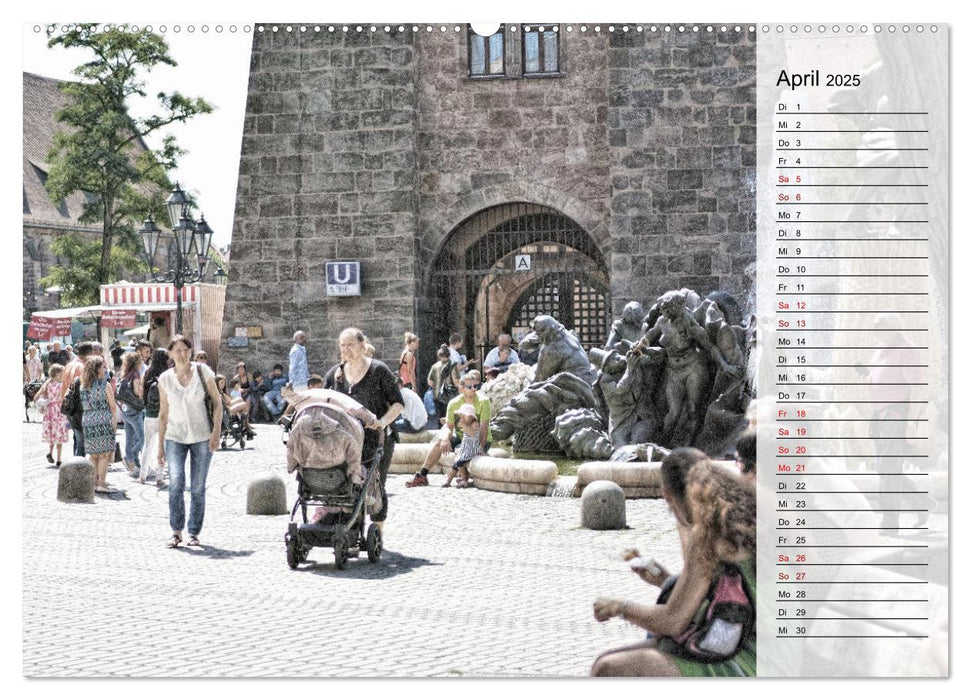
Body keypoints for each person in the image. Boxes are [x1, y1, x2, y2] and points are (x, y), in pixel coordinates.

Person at [590, 447, 756, 677]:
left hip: (746, 661)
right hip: (765, 648)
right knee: (630, 655)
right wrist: (664, 579)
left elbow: (672, 621)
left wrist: (619, 607)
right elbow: (721, 594)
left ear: (667, 495)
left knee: (607, 668)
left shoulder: (708, 534)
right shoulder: (743, 519)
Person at [324, 327, 403, 530]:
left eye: (350, 344)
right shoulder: (335, 374)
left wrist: (382, 422)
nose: (346, 349)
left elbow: (398, 403)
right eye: (342, 345)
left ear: (362, 345)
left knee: (375, 485)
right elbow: (324, 402)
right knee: (347, 485)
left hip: (375, 439)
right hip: (345, 440)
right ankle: (350, 529)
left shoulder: (378, 371)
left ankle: (377, 532)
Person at [157, 335, 222, 548]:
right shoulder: (165, 379)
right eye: (177, 350)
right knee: (175, 483)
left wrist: (216, 432)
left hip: (202, 436)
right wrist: (160, 446)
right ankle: (176, 531)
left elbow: (218, 403)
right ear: (170, 354)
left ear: (190, 351)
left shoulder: (203, 372)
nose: (182, 354)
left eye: (185, 349)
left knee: (197, 487)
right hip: (174, 436)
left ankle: (194, 532)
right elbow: (163, 414)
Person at [407, 370, 491, 487]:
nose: (473, 389)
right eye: (469, 386)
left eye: (475, 386)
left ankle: (462, 478)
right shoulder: (453, 403)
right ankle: (422, 475)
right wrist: (446, 438)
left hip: (479, 439)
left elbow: (484, 428)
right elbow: (448, 426)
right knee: (440, 442)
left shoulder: (483, 401)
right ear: (461, 388)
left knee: (460, 449)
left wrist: (481, 447)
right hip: (462, 437)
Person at [79, 355, 118, 493]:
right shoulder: (104, 384)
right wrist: (114, 423)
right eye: (103, 366)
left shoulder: (83, 385)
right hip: (103, 418)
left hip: (88, 419)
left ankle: (93, 483)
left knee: (93, 454)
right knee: (104, 454)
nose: (105, 369)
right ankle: (101, 483)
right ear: (97, 369)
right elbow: (112, 406)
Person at [59, 341, 96, 457]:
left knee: (78, 440)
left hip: (69, 407)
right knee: (81, 444)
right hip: (79, 409)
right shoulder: (82, 368)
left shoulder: (69, 365)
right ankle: (79, 469)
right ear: (89, 353)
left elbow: (64, 387)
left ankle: (76, 464)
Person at [140, 348, 169, 486]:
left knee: (147, 445)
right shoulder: (167, 374)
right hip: (164, 415)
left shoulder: (147, 372)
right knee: (162, 446)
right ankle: (159, 476)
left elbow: (141, 393)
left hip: (149, 414)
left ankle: (142, 476)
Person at [118, 351, 145, 479]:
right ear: (136, 363)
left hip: (125, 409)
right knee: (142, 438)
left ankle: (130, 460)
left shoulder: (125, 374)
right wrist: (142, 392)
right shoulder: (136, 375)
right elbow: (137, 392)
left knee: (129, 437)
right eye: (140, 361)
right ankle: (132, 456)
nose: (142, 363)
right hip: (134, 409)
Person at [36, 363, 69, 467]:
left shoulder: (47, 384)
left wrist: (44, 402)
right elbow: (66, 398)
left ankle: (50, 453)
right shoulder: (61, 385)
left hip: (49, 411)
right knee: (59, 434)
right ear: (57, 374)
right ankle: (59, 459)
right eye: (62, 373)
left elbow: (36, 396)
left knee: (51, 434)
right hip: (59, 411)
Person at [442, 403, 481, 488]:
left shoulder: (475, 424)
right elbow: (458, 425)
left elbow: (472, 433)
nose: (462, 418)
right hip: (465, 449)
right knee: (455, 466)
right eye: (461, 415)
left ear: (471, 417)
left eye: (464, 415)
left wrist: (464, 426)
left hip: (471, 450)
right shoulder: (465, 422)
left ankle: (464, 480)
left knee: (459, 463)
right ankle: (448, 481)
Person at [216, 374, 256, 439]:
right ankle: (246, 426)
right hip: (224, 412)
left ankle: (245, 426)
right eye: (221, 383)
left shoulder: (221, 392)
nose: (223, 385)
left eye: (224, 383)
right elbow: (227, 403)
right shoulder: (216, 392)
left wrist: (223, 393)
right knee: (243, 405)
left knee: (240, 399)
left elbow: (229, 401)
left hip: (226, 408)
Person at [426, 345, 460, 420]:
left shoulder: (435, 366)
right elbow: (456, 381)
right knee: (450, 417)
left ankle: (440, 430)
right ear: (449, 355)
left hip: (437, 395)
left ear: (439, 355)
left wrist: (438, 386)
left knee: (440, 417)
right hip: (450, 395)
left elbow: (430, 381)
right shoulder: (452, 365)